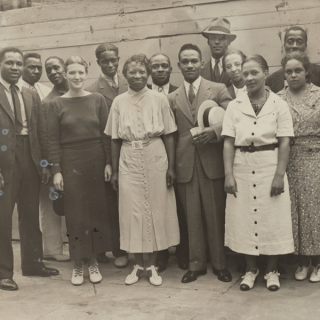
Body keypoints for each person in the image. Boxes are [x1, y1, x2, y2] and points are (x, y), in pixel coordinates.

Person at [105, 54, 179, 287]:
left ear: (147, 75)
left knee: (156, 209)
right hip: (128, 157)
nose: (137, 76)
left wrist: (171, 167)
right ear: (124, 75)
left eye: (141, 72)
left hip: (155, 155)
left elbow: (169, 134)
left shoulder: (159, 99)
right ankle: (138, 265)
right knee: (132, 211)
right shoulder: (118, 102)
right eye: (132, 72)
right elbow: (115, 139)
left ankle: (152, 265)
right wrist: (116, 170)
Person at [222, 54, 294, 292]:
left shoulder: (279, 104)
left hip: (269, 165)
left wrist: (278, 175)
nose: (249, 78)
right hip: (242, 166)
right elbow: (229, 143)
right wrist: (229, 174)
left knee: (272, 218)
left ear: (265, 73)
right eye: (245, 74)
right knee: (242, 218)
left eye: (254, 73)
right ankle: (250, 270)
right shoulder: (235, 105)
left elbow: (284, 142)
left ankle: (271, 270)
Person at [168, 43, 232, 284]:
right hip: (185, 165)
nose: (190, 65)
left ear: (202, 63)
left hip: (211, 162)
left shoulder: (217, 88)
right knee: (192, 217)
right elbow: (170, 135)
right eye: (185, 61)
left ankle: (220, 263)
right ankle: (196, 264)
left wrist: (214, 132)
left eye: (194, 60)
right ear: (179, 66)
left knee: (215, 215)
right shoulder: (171, 97)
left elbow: (232, 119)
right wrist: (172, 166)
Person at [47, 56, 113, 286]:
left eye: (80, 73)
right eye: (72, 73)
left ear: (87, 74)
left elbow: (106, 134)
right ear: (65, 74)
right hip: (70, 162)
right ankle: (78, 263)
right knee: (75, 215)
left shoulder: (97, 99)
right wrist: (56, 170)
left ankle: (93, 260)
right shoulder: (56, 103)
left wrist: (108, 162)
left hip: (95, 160)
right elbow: (52, 140)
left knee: (95, 212)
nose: (76, 77)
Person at [0, 47, 59, 291]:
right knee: (3, 217)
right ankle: (3, 273)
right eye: (9, 63)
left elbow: (39, 132)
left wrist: (43, 164)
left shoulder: (30, 94)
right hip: (4, 161)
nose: (15, 67)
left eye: (18, 63)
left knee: (30, 213)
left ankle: (33, 264)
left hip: (30, 159)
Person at [277, 52, 320, 283]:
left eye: (298, 70)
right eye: (289, 72)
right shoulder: (277, 98)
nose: (293, 75)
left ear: (307, 72)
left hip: (316, 158)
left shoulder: (319, 95)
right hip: (289, 160)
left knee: (315, 211)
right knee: (295, 211)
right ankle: (302, 260)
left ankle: (319, 261)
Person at [86, 43, 129, 268]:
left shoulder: (129, 82)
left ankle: (126, 247)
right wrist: (107, 161)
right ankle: (112, 249)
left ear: (118, 59)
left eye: (114, 60)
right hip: (107, 149)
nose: (111, 65)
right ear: (98, 63)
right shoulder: (93, 89)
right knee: (108, 202)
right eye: (105, 61)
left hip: (131, 148)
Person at [148, 52, 189, 272]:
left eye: (165, 65)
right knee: (157, 207)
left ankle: (183, 253)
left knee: (180, 208)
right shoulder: (142, 94)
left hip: (177, 158)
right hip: (150, 159)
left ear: (171, 68)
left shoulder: (178, 93)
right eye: (156, 66)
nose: (160, 70)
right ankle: (161, 254)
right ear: (149, 69)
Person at [39, 56, 70, 262]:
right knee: (51, 203)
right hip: (55, 159)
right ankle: (52, 249)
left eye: (56, 68)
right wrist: (48, 165)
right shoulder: (47, 101)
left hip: (78, 157)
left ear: (65, 69)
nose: (52, 72)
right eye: (48, 70)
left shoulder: (81, 92)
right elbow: (45, 137)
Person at [266, 26, 320, 93]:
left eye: (299, 42)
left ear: (305, 46)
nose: (295, 46)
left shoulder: (318, 72)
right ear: (285, 46)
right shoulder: (271, 80)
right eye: (290, 42)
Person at [200, 17, 237, 86]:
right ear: (208, 42)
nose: (217, 42)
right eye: (213, 38)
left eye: (222, 38)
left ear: (228, 42)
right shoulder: (201, 71)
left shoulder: (237, 68)